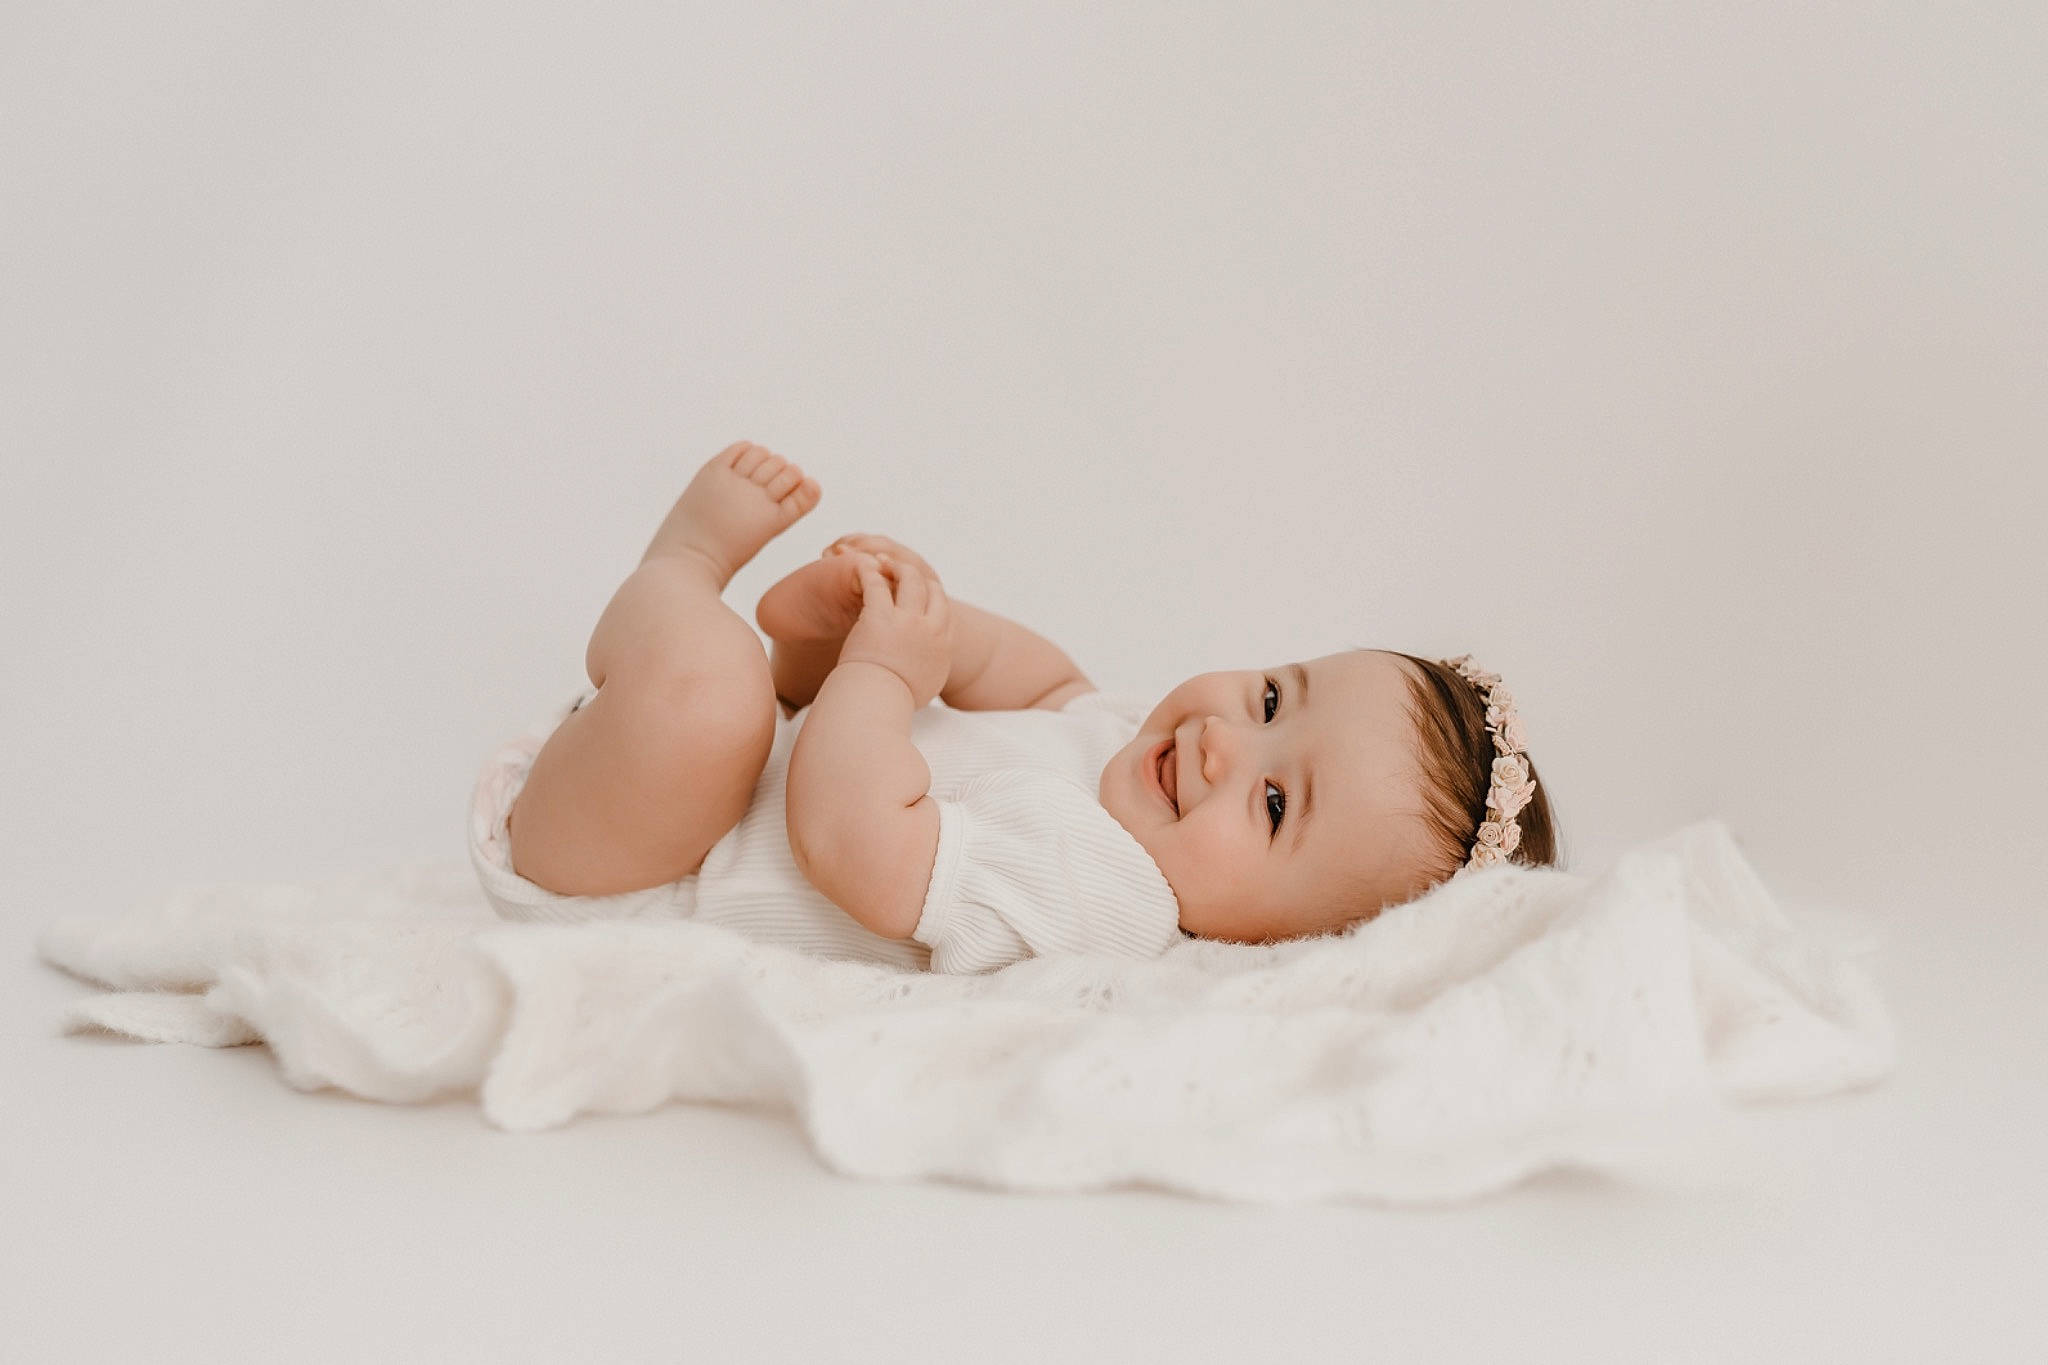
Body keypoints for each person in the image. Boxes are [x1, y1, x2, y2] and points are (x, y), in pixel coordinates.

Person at [468, 441, 1559, 973]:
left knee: (713, 706)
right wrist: (915, 621)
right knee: (754, 703)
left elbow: (851, 836)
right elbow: (1032, 682)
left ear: (1285, 944)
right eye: (1274, 695)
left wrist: (888, 677)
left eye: (1275, 804)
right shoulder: (1136, 750)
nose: (1226, 738)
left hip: (625, 871)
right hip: (691, 784)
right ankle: (791, 652)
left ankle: (681, 568)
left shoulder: (1110, 899)